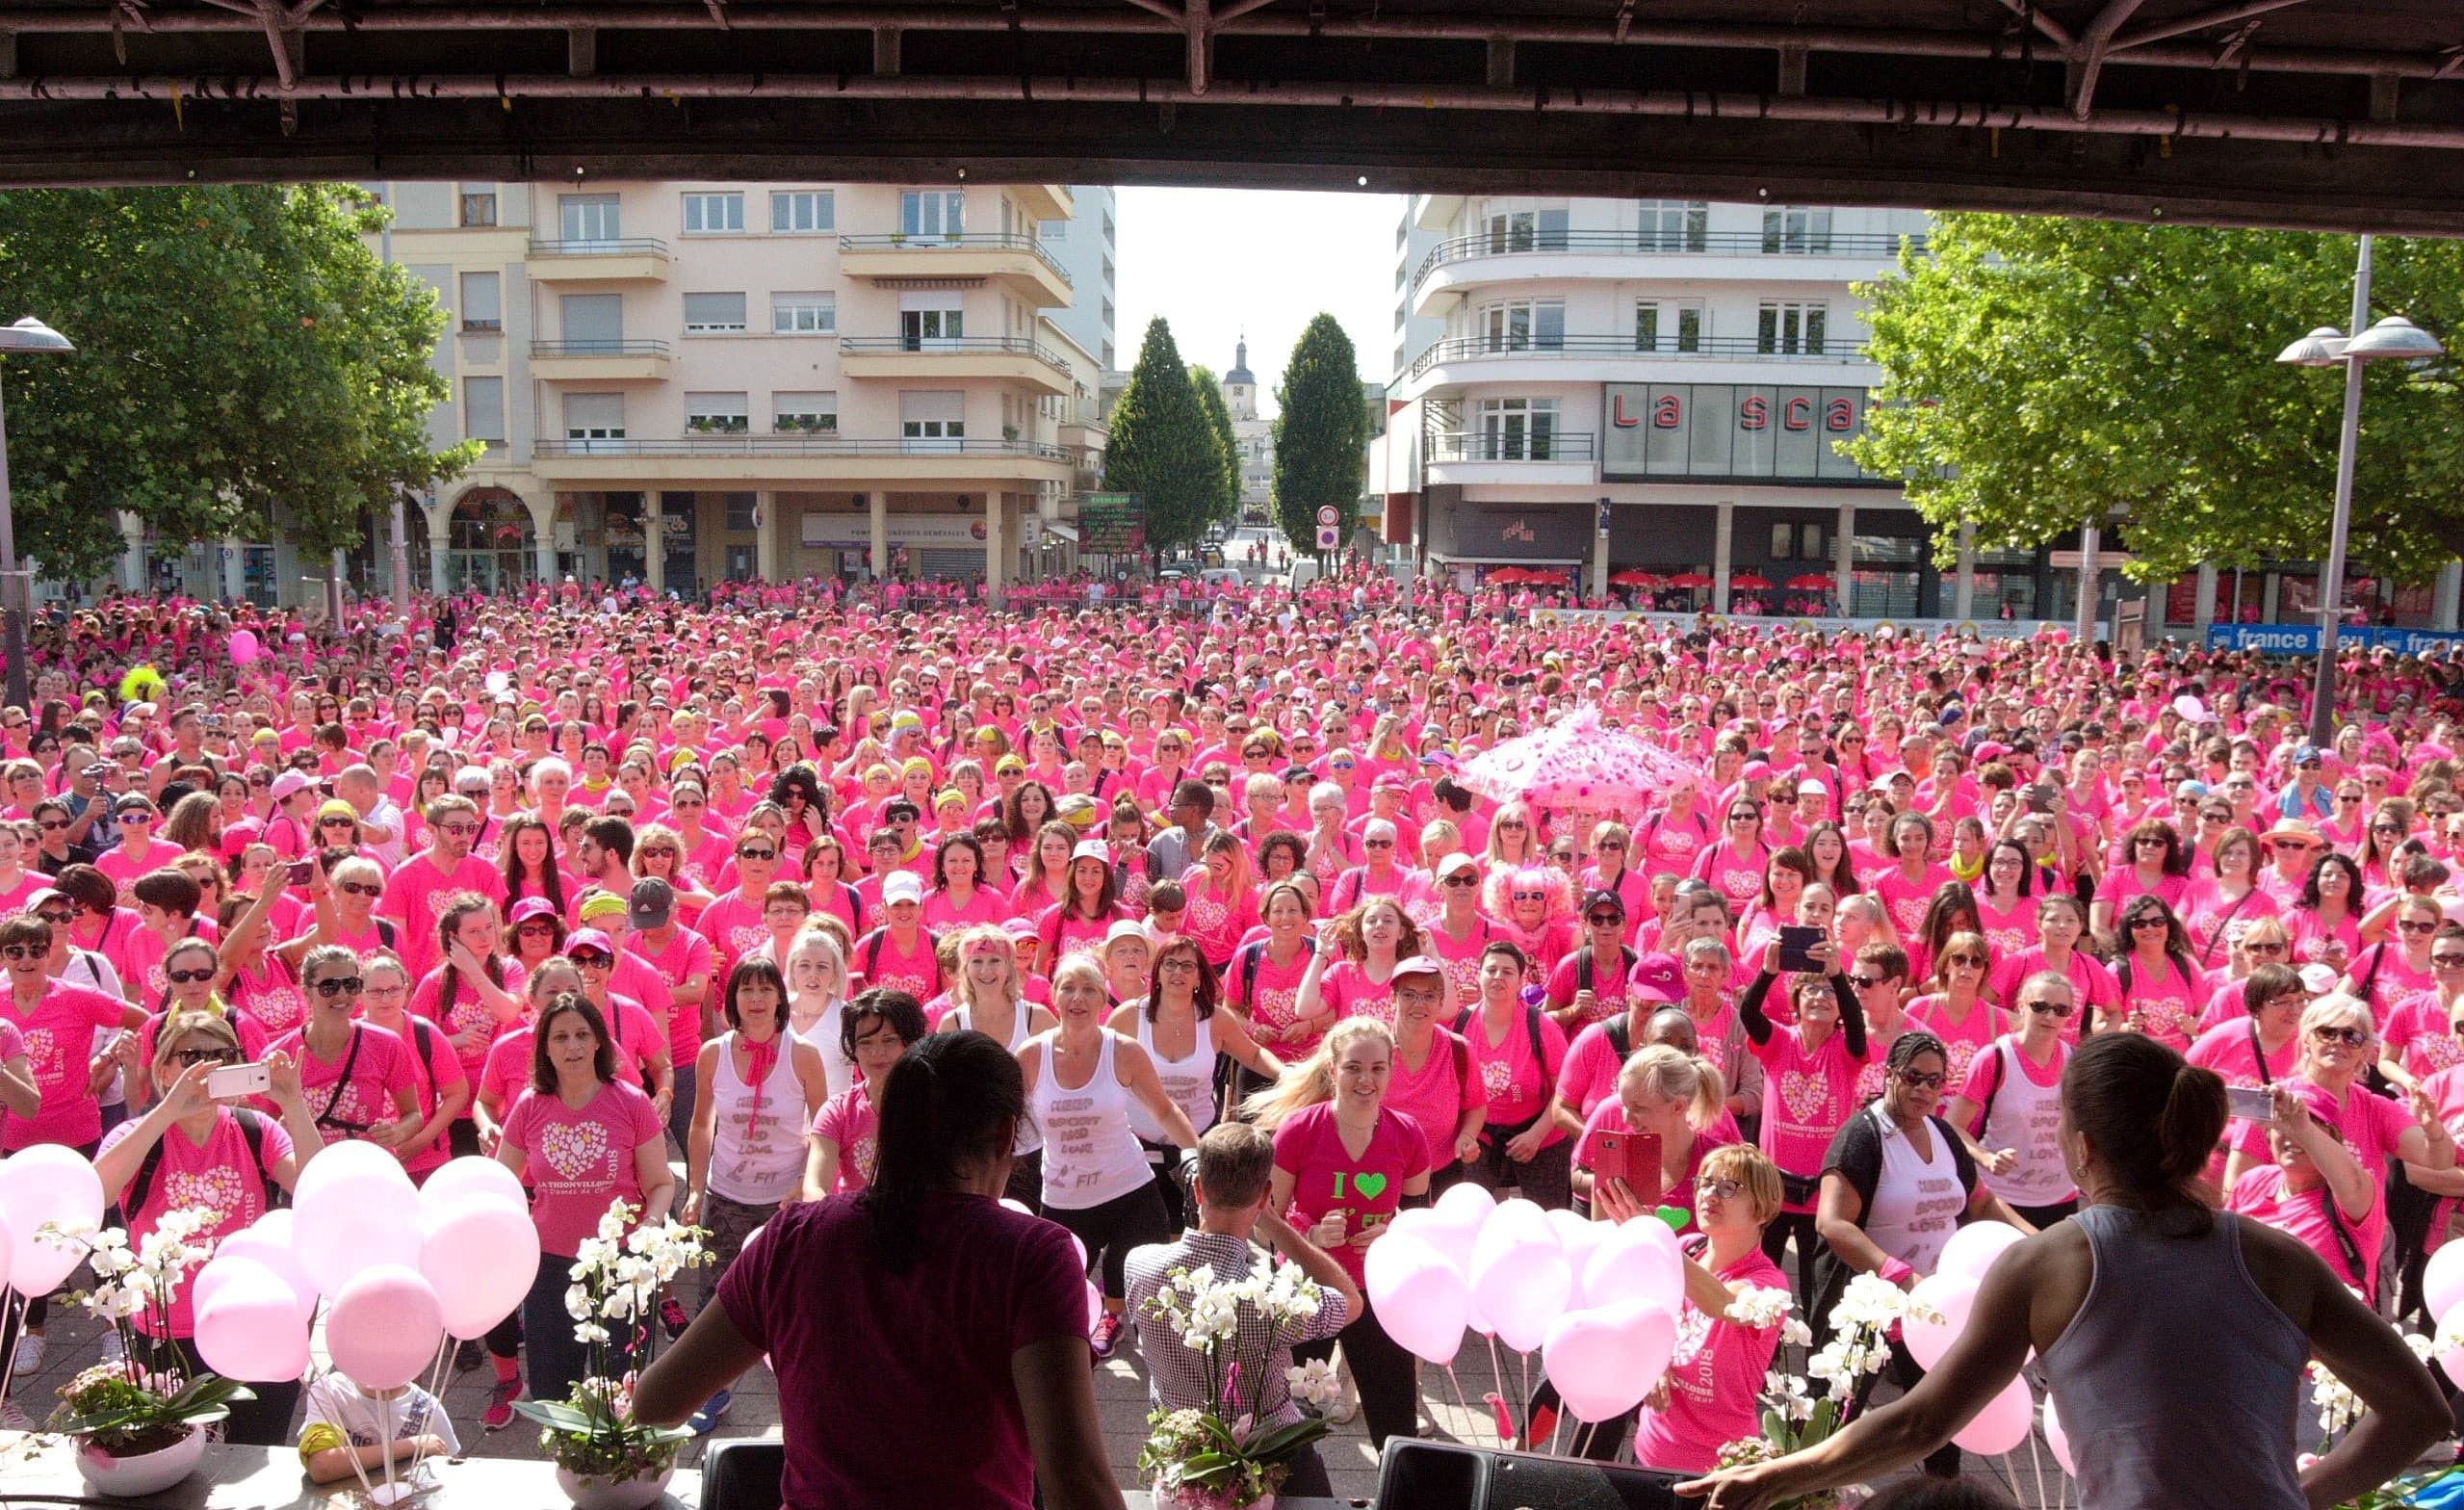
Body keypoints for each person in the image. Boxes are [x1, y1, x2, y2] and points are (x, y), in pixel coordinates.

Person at [1677, 1033, 2450, 1510]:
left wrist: (1774, 1478)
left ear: (2080, 1148)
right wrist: (2296, 1497)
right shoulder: (2275, 1257)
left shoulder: (2053, 1261)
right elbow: (2418, 1413)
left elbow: (1918, 1422)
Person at [632, 1030, 1122, 1510]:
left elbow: (656, 1402)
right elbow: (1076, 1482)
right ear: (1006, 1134)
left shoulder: (794, 1238)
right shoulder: (1033, 1255)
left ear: (888, 1126)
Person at [1811, 1031, 2037, 1480]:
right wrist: (1901, 1275)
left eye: (1935, 1082)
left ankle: (1941, 1497)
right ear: (1890, 1074)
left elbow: (1981, 1201)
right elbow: (1831, 1223)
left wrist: (2038, 1239)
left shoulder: (1944, 1135)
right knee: (1835, 1425)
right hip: (1870, 1302)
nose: (1924, 1090)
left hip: (1934, 1309)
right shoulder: (1862, 1136)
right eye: (1913, 1077)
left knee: (1940, 1427)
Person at [92, 1009, 323, 1445]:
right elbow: (98, 1193)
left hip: (255, 1319)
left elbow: (314, 1186)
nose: (211, 1065)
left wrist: (293, 1102)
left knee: (256, 1450)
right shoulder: (134, 1134)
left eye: (224, 1054)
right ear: (163, 1069)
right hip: (169, 1333)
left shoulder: (256, 1129)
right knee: (176, 1455)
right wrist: (165, 1112)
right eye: (193, 1055)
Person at [1122, 1121, 1361, 1500]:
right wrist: (1273, 1222)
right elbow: (1351, 1301)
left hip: (1181, 1452)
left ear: (1197, 1188)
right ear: (1265, 1194)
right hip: (1274, 1455)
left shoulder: (1139, 1265)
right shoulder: (1273, 1295)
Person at [1244, 1015, 1434, 1451]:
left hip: (1376, 1295)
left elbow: (1420, 1220)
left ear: (1391, 1069)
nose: (1365, 1079)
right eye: (1353, 1068)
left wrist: (1393, 1230)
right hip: (1307, 1291)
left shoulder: (1408, 1134)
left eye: (1376, 1068)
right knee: (1278, 1425)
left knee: (1396, 1427)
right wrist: (1308, 1234)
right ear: (1333, 1070)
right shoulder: (1299, 1130)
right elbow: (1263, 1220)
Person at [494, 992, 673, 1409]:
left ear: (599, 1042)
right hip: (548, 1269)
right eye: (559, 1037)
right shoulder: (528, 1106)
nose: (572, 1046)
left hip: (622, 1263)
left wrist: (648, 1228)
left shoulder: (630, 1102)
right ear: (544, 1047)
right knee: (554, 1393)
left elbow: (662, 1184)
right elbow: (499, 1186)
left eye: (581, 1035)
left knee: (623, 1392)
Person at [1019, 953, 1201, 1359]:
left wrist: (1197, 1158)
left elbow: (1165, 1110)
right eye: (1068, 987)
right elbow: (1005, 1124)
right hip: (1064, 1197)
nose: (1077, 998)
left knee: (1127, 1264)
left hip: (1129, 1188)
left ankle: (1113, 1316)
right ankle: (1084, 1321)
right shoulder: (1032, 1056)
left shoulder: (1124, 1051)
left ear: (1104, 999)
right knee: (1060, 1288)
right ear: (1054, 997)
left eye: (1089, 989)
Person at [677, 956, 830, 1433]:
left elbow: (825, 1129)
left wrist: (804, 1182)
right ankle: (711, 1392)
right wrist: (696, 1187)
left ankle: (803, 1397)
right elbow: (702, 1124)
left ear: (780, 999)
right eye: (747, 990)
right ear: (732, 1000)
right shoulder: (712, 1054)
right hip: (725, 1195)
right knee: (713, 1300)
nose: (757, 1000)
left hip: (783, 1201)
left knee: (793, 1303)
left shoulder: (802, 1054)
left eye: (766, 990)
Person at [1106, 934, 1282, 1227]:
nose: (1178, 972)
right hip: (1138, 1145)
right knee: (1141, 1229)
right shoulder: (1128, 1017)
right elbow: (1103, 1068)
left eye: (1188, 966)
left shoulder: (1215, 1020)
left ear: (1200, 976)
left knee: (1191, 1228)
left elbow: (1253, 1056)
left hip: (1196, 1143)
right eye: (1170, 964)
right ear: (1157, 973)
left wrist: (1288, 1076)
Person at [1942, 971, 2081, 1229]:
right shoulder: (1994, 1057)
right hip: (2002, 1199)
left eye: (2060, 1010)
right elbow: (1953, 1125)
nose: (2050, 1017)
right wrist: (1986, 1158)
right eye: (2040, 1007)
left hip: (2061, 1197)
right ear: (2021, 1006)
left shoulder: (2073, 1060)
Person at [805, 987, 929, 1196]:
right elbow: (813, 1188)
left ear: (911, 1042)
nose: (877, 1052)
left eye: (889, 1040)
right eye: (865, 1043)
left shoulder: (939, 1104)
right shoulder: (838, 1112)